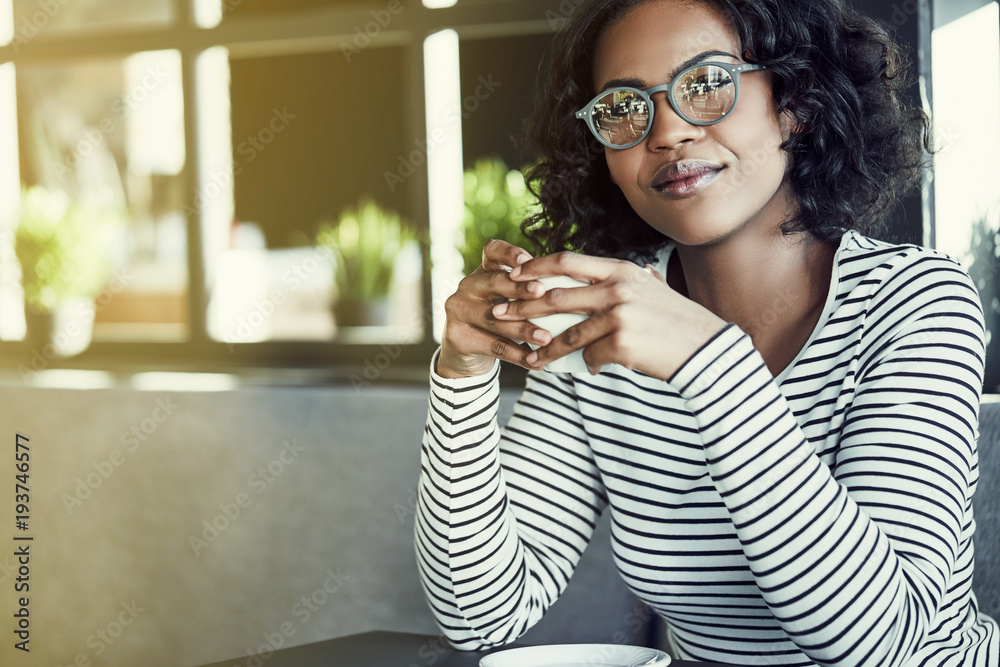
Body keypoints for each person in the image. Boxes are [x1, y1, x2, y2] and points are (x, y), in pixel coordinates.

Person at [414, 0, 1000, 663]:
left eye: (706, 83)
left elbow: (884, 641)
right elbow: (481, 615)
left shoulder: (916, 300)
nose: (664, 133)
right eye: (624, 108)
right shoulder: (602, 320)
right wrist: (461, 372)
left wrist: (709, 364)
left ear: (795, 102)